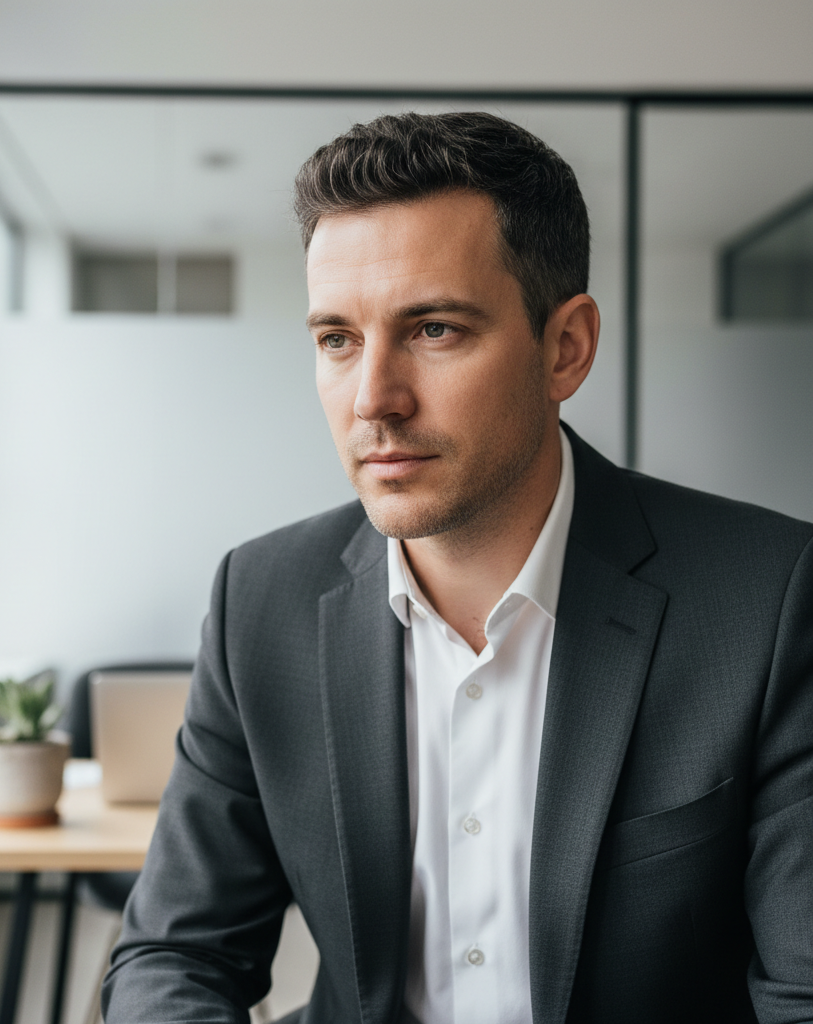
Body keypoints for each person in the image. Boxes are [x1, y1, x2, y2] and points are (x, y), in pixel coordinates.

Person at [101, 112, 813, 1024]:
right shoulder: (260, 601)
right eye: (336, 339)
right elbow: (176, 954)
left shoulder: (768, 598)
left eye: (433, 330)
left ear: (566, 348)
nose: (374, 400)